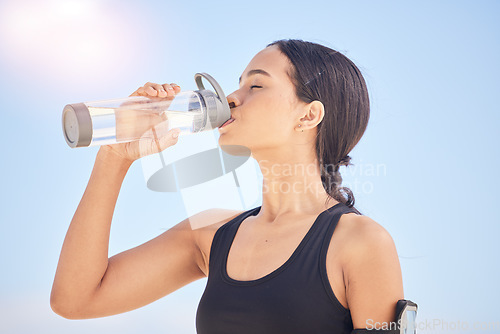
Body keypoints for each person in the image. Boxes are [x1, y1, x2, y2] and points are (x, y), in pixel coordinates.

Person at [50, 39, 404, 333]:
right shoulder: (210, 235)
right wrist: (115, 157)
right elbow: (75, 299)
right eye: (237, 85)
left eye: (256, 85)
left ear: (308, 115)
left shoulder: (360, 242)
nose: (232, 98)